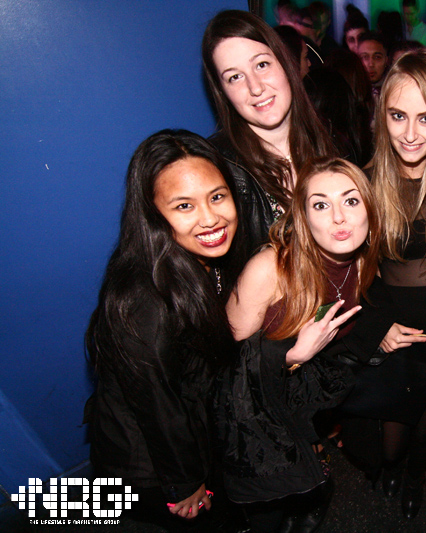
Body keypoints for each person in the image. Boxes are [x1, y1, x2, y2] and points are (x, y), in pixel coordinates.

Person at [86, 130, 245, 530]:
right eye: (184, 205)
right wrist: (184, 482)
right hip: (151, 463)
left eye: (217, 196)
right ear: (153, 214)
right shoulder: (143, 299)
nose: (210, 218)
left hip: (192, 433)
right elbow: (157, 405)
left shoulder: (207, 258)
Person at [222, 157, 380, 531]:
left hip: (303, 397)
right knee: (267, 509)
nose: (339, 218)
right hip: (257, 407)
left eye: (351, 201)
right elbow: (225, 364)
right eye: (321, 205)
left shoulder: (362, 263)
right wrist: (291, 355)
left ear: (370, 211)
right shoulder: (271, 268)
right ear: (304, 219)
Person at [349, 49, 426, 520]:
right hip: (395, 325)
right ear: (381, 116)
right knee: (393, 431)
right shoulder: (363, 185)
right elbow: (349, 273)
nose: (410, 133)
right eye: (398, 115)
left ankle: (416, 478)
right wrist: (376, 325)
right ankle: (393, 467)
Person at [202, 9, 334, 257]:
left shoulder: (331, 139)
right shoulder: (217, 169)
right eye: (235, 77)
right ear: (222, 92)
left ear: (285, 63)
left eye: (262, 65)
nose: (255, 87)